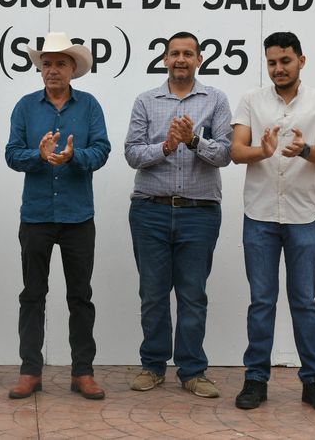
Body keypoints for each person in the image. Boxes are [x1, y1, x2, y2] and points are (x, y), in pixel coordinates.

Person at [230, 31, 315, 413]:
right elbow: (235, 151)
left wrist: (304, 148)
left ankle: (314, 381)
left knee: (304, 302)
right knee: (261, 301)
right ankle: (255, 380)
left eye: (285, 61)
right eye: (272, 62)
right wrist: (262, 150)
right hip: (259, 214)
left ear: (301, 61)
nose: (278, 68)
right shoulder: (250, 100)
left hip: (302, 214)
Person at [124, 31, 232, 398]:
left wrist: (193, 141)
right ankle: (153, 366)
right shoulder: (146, 101)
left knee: (192, 294)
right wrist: (167, 146)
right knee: (153, 293)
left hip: (199, 213)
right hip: (150, 211)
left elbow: (225, 154)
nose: (181, 59)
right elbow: (132, 154)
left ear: (199, 59)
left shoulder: (216, 100)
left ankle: (192, 370)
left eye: (188, 53)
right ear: (165, 60)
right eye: (174, 54)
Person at [5, 32, 110, 400]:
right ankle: (30, 370)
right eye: (46, 63)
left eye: (60, 63)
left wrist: (73, 157)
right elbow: (11, 154)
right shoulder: (25, 107)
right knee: (32, 295)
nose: (52, 70)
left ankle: (83, 372)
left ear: (73, 69)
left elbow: (102, 150)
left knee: (80, 296)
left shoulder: (90, 106)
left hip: (78, 217)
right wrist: (38, 155)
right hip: (36, 216)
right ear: (40, 69)